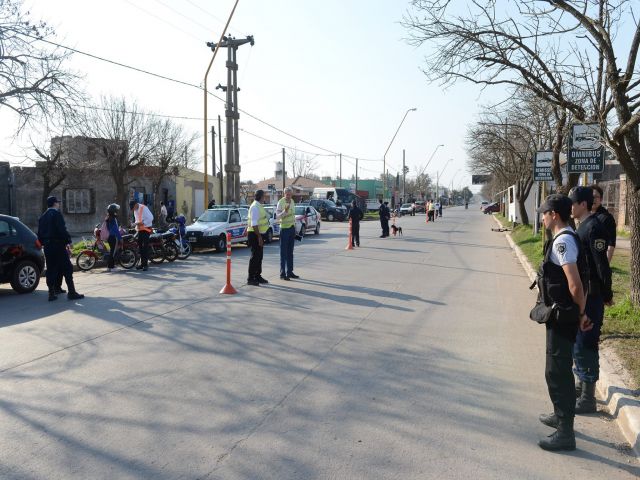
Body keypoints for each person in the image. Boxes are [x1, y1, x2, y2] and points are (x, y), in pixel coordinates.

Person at [535, 193, 591, 451]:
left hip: (563, 316)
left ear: (554, 215)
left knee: (557, 373)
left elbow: (575, 284)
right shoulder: (565, 238)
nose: (542, 218)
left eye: (544, 213)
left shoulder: (563, 243)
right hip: (561, 315)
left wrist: (580, 315)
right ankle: (560, 415)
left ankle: (565, 432)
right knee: (555, 370)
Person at [569, 186, 613, 415]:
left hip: (592, 296)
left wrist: (606, 295)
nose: (571, 207)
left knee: (586, 342)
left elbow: (601, 265)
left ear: (583, 205)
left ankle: (588, 398)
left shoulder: (593, 227)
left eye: (573, 203)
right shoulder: (582, 226)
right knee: (579, 342)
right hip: (585, 295)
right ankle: (581, 386)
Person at [37, 196, 84, 301]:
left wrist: (43, 243)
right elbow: (61, 229)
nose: (59, 204)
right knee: (67, 267)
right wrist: (68, 241)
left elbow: (39, 233)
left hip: (48, 247)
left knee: (51, 268)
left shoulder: (43, 216)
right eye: (58, 202)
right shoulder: (56, 214)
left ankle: (52, 292)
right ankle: (71, 292)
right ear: (54, 203)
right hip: (58, 245)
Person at [276, 187, 299, 281]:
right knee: (283, 252)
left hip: (292, 228)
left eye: (290, 194)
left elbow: (293, 215)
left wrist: (295, 227)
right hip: (284, 229)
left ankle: (290, 271)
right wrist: (284, 212)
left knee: (290, 252)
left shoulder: (293, 201)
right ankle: (282, 273)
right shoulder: (280, 202)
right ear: (284, 194)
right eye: (287, 194)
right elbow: (277, 217)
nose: (289, 196)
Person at [247, 189, 269, 286]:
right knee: (255, 257)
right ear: (260, 196)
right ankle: (251, 278)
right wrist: (259, 237)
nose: (265, 197)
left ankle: (258, 276)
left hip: (259, 234)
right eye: (264, 196)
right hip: (255, 234)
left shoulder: (259, 206)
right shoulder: (255, 207)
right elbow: (254, 224)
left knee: (259, 257)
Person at [591, 184, 616, 263]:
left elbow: (611, 244)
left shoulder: (606, 218)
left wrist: (606, 265)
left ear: (601, 199)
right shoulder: (584, 215)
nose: (593, 199)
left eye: (595, 197)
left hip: (599, 262)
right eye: (590, 197)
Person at [130, 199, 154, 271]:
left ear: (136, 204)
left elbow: (151, 218)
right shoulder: (135, 210)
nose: (133, 209)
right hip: (140, 230)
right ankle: (142, 264)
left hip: (146, 229)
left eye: (133, 207)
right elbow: (137, 220)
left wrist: (143, 223)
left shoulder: (144, 208)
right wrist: (135, 224)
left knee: (144, 247)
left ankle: (145, 265)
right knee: (140, 247)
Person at [105, 203, 122, 272]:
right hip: (113, 238)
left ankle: (110, 266)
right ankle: (111, 267)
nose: (117, 211)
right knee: (113, 253)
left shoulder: (108, 217)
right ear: (113, 211)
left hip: (109, 237)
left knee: (112, 251)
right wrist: (120, 238)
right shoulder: (113, 219)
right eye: (116, 210)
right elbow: (116, 230)